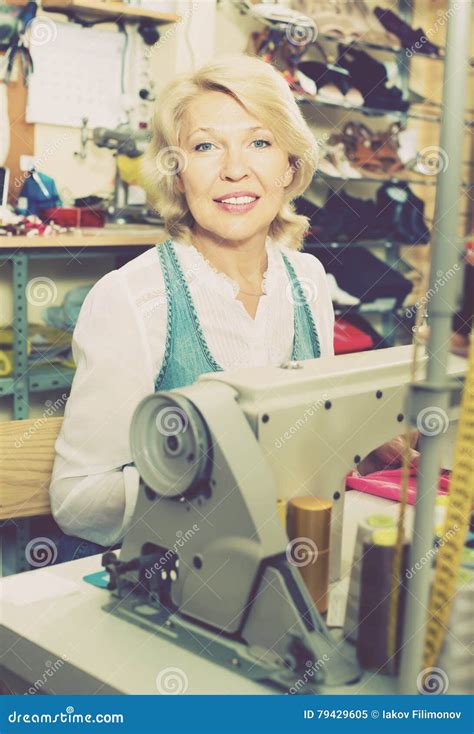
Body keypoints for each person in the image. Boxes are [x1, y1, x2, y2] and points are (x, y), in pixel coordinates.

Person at [49, 54, 414, 563]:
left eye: (259, 142)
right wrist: (230, 472)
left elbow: (307, 437)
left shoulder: (308, 283)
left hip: (280, 562)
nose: (235, 170)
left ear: (291, 165)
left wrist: (356, 434)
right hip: (170, 579)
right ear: (177, 174)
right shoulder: (131, 299)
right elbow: (76, 502)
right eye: (205, 147)